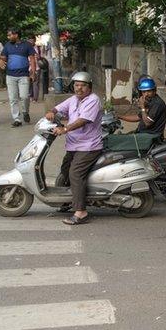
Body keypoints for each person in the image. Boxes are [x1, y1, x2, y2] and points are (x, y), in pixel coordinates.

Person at [45, 72, 104, 226]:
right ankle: (68, 201)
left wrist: (65, 129)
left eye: (83, 85)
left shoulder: (93, 100)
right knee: (65, 170)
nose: (79, 88)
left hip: (88, 146)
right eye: (77, 85)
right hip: (74, 145)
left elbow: (83, 120)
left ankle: (81, 212)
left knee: (75, 173)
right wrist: (52, 112)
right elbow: (58, 108)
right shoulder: (74, 99)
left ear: (89, 87)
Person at [0, 28, 38, 127]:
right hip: (10, 76)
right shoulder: (7, 45)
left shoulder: (27, 45)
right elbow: (3, 57)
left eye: (9, 35)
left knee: (24, 96)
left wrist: (33, 73)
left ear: (16, 35)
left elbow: (32, 60)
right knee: (13, 98)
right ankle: (17, 119)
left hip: (23, 75)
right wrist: (0, 61)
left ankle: (25, 112)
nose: (8, 37)